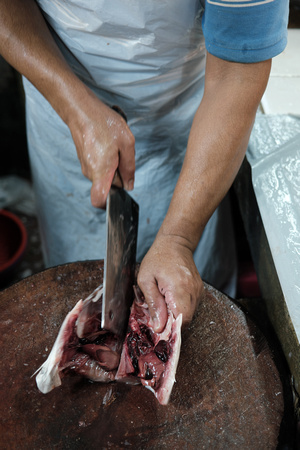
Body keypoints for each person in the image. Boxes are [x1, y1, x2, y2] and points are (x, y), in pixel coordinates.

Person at [0, 0, 288, 332]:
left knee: (184, 321)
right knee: (76, 304)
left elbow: (237, 76)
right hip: (57, 94)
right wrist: (73, 106)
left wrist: (179, 238)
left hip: (188, 121)